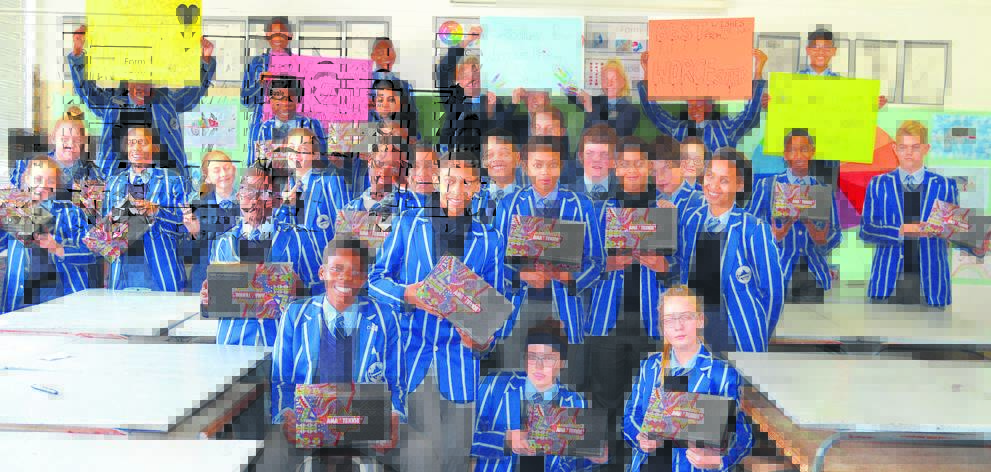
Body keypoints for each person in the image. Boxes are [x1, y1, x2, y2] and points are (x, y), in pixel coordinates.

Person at [369, 150, 508, 471]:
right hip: (412, 360)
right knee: (422, 461)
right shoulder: (408, 223)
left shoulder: (490, 240)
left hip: (460, 366)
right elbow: (375, 281)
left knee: (455, 460)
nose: (457, 189)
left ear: (478, 187)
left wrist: (483, 341)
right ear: (437, 180)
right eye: (450, 180)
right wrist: (408, 294)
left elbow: (496, 310)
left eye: (466, 182)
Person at [584, 135, 680, 472]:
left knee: (647, 401)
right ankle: (606, 466)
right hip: (607, 320)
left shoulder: (665, 210)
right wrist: (610, 262)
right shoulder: (600, 209)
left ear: (649, 167)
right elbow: (585, 264)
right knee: (605, 401)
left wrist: (662, 265)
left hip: (650, 323)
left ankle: (640, 464)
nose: (632, 169)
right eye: (625, 164)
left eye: (639, 163)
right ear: (615, 167)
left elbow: (680, 267)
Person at [270, 237, 406, 470]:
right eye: (337, 269)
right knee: (271, 453)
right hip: (308, 428)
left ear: (364, 278)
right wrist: (286, 414)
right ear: (322, 272)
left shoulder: (385, 317)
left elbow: (397, 382)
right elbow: (280, 380)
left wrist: (395, 415)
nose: (345, 278)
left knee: (415, 452)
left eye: (355, 272)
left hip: (365, 429)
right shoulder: (295, 315)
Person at [494, 136, 604, 390]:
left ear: (562, 165)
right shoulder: (509, 205)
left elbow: (597, 261)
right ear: (525, 166)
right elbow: (494, 261)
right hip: (519, 304)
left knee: (566, 380)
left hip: (564, 304)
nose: (545, 172)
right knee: (514, 376)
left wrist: (569, 278)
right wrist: (521, 276)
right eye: (538, 165)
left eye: (552, 164)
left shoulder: (580, 205)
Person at [624, 285, 753, 471]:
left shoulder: (723, 374)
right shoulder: (649, 367)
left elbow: (743, 434)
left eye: (685, 316)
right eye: (669, 320)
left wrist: (719, 461)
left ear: (699, 320)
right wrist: (640, 437)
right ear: (663, 327)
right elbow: (631, 415)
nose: (678, 326)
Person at [67, 25, 215, 186]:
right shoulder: (113, 104)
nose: (140, 86)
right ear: (126, 83)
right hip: (118, 184)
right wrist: (78, 53)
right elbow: (87, 90)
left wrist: (205, 60)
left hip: (164, 186)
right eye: (135, 80)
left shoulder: (166, 102)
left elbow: (193, 93)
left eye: (146, 80)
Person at [860, 120, 978, 307]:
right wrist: (900, 231)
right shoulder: (878, 184)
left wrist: (976, 245)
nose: (908, 152)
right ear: (894, 149)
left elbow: (955, 230)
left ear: (926, 148)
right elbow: (866, 230)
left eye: (915, 147)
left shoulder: (945, 185)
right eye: (903, 147)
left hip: (931, 288)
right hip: (887, 284)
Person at [199, 169, 324, 346]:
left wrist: (301, 291)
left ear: (277, 200)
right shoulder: (222, 243)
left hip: (280, 344)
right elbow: (213, 304)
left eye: (265, 193)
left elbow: (322, 295)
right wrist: (206, 301)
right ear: (238, 196)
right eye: (249, 191)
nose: (256, 200)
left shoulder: (300, 238)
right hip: (232, 345)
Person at [677, 149, 784, 353]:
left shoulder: (753, 229)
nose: (713, 185)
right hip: (697, 332)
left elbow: (772, 293)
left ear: (739, 185)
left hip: (738, 333)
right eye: (710, 176)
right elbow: (684, 273)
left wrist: (757, 331)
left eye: (724, 180)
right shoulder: (691, 219)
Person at [471, 321, 608, 471]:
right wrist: (505, 440)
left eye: (548, 358)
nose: (539, 366)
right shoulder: (495, 385)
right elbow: (465, 442)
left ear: (562, 363)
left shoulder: (575, 401)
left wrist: (591, 458)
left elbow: (571, 463)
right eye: (532, 357)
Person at [746, 129, 841, 303]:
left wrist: (821, 240)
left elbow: (835, 232)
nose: (798, 155)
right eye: (792, 150)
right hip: (776, 272)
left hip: (814, 275)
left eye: (804, 149)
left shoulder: (822, 190)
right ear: (785, 154)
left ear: (812, 152)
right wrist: (771, 237)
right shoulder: (768, 185)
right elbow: (749, 226)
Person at [1, 156, 94, 314]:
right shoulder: (12, 211)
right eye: (37, 179)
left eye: (50, 180)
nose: (43, 185)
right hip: (19, 299)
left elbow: (90, 254)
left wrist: (57, 248)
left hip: (64, 299)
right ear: (26, 179)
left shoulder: (72, 212)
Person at [101, 125, 187, 291]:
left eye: (142, 142)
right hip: (122, 273)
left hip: (162, 271)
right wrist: (111, 222)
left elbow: (185, 226)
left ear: (154, 147)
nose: (136, 148)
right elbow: (105, 235)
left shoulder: (172, 180)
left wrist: (157, 211)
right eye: (131, 143)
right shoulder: (113, 182)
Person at [638, 49, 767, 152]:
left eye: (699, 105)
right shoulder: (678, 129)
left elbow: (750, 115)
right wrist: (647, 72)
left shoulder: (726, 128)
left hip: (718, 177)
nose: (694, 109)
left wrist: (758, 70)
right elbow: (654, 112)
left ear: (710, 106)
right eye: (690, 105)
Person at [273, 127, 351, 254]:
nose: (295, 153)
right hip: (291, 259)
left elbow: (345, 223)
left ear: (315, 155)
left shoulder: (329, 180)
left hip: (321, 257)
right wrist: (285, 206)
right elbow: (275, 229)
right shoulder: (281, 185)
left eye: (303, 150)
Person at [182, 151, 240, 293]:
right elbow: (187, 255)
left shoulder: (249, 203)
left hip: (242, 283)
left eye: (226, 168)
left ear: (234, 170)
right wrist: (194, 233)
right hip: (204, 284)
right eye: (216, 170)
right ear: (207, 177)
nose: (223, 174)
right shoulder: (195, 208)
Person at [242, 17, 294, 170]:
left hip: (291, 125)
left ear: (290, 35)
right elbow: (245, 99)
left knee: (289, 168)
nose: (277, 38)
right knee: (261, 169)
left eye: (282, 33)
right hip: (263, 124)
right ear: (267, 36)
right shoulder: (257, 63)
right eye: (273, 34)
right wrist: (260, 84)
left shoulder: (300, 64)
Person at [10, 109, 100, 191]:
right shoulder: (29, 163)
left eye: (77, 140)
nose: (71, 145)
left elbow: (97, 200)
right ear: (54, 138)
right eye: (64, 139)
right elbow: (16, 195)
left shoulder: (91, 172)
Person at [247, 77, 328, 168]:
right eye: (279, 99)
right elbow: (254, 165)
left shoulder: (312, 125)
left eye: (290, 99)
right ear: (270, 100)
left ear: (298, 100)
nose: (285, 104)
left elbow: (324, 162)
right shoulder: (263, 129)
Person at [799, 27, 888, 109]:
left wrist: (872, 106)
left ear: (833, 51)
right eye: (815, 47)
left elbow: (852, 110)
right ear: (808, 50)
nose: (821, 52)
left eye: (826, 48)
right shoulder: (795, 81)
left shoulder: (843, 85)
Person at [344, 132, 415, 213]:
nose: (384, 172)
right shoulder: (348, 210)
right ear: (370, 160)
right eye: (380, 163)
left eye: (394, 167)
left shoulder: (410, 208)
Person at [575, 59, 641, 137]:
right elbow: (571, 90)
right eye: (605, 79)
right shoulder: (597, 101)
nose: (609, 84)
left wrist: (590, 110)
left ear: (623, 82)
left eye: (614, 79)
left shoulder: (631, 111)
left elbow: (613, 138)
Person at [475, 128, 524, 220]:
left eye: (504, 153)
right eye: (489, 155)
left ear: (517, 158)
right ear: (483, 161)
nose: (496, 159)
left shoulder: (530, 199)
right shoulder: (473, 195)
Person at [574, 123, 618, 198]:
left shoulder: (626, 192)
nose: (596, 159)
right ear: (581, 157)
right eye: (590, 153)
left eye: (604, 154)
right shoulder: (565, 192)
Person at [671, 137, 708, 213]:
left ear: (703, 167)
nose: (690, 163)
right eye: (686, 158)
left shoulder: (707, 198)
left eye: (697, 160)